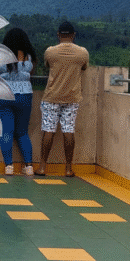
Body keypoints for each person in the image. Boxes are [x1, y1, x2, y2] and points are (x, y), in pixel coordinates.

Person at [35, 20, 89, 177]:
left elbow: (47, 65)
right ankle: (68, 169)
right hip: (72, 98)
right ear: (73, 35)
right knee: (68, 130)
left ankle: (43, 167)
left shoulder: (51, 52)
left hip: (51, 97)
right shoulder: (82, 53)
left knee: (48, 130)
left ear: (58, 35)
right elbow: (84, 68)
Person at [0, 27, 36, 175]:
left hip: (4, 94)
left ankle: (9, 166)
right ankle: (29, 166)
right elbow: (31, 73)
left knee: (6, 132)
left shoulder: (0, 56)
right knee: (22, 133)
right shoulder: (29, 57)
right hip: (24, 95)